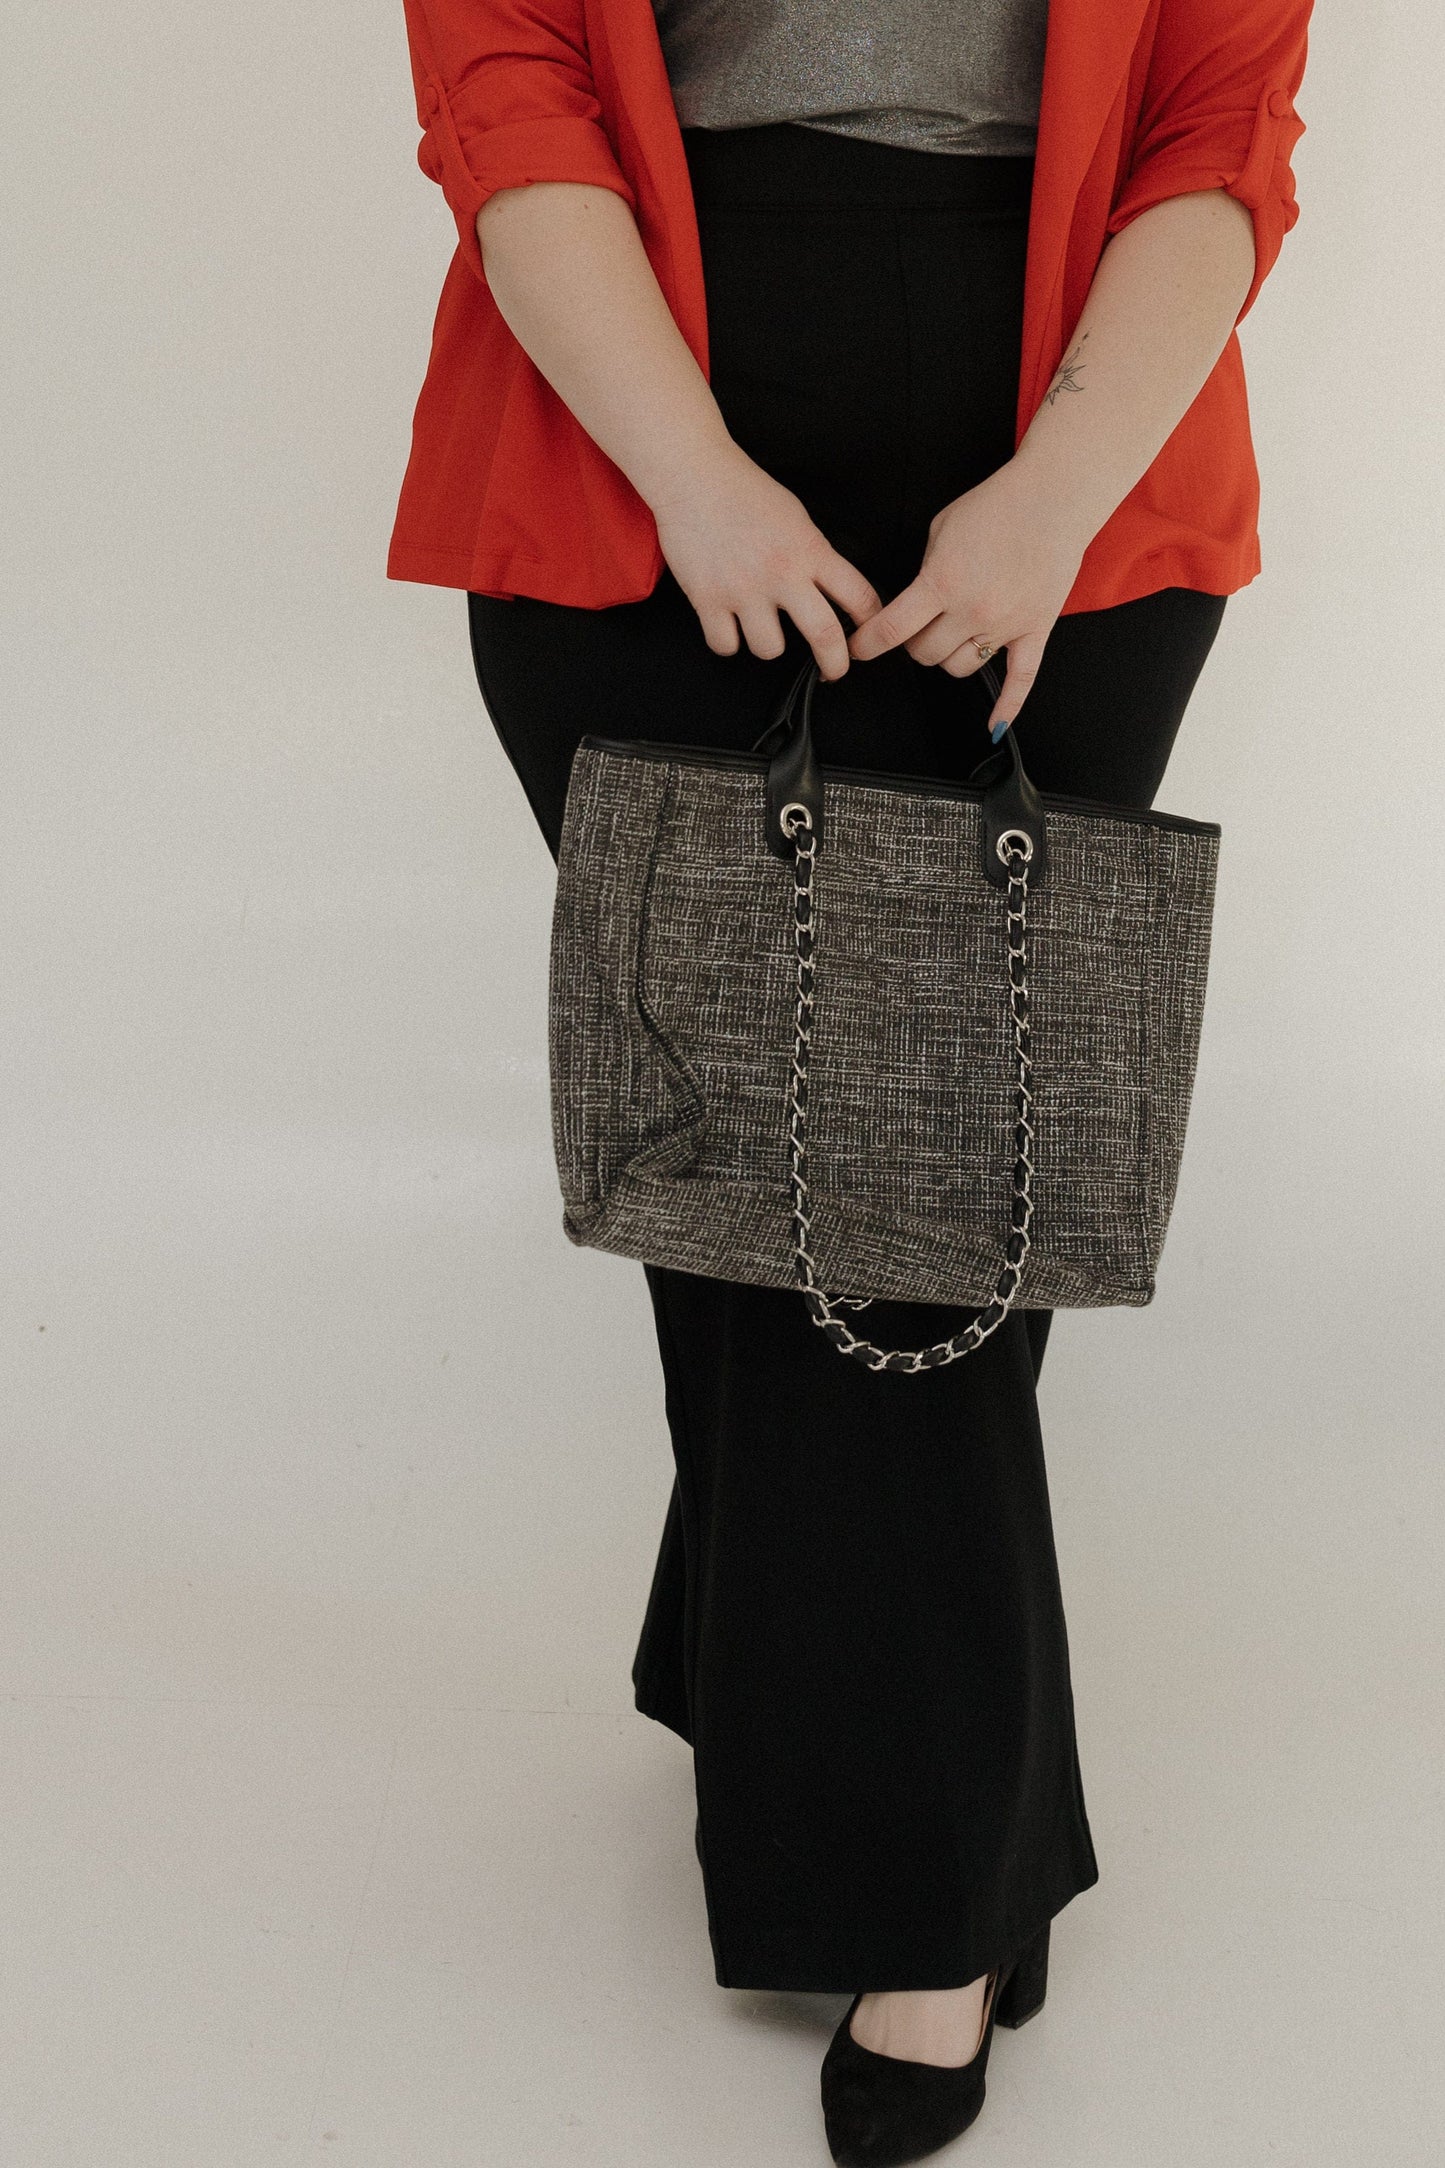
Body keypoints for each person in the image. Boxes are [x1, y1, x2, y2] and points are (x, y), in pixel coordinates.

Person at [387, 0, 1312, 2157]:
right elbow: (504, 84)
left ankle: (835, 1758)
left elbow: (1218, 125)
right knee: (767, 1131)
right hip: (645, 413)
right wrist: (692, 478)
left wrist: (1051, 505)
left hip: (1071, 412)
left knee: (927, 1163)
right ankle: (940, 1879)